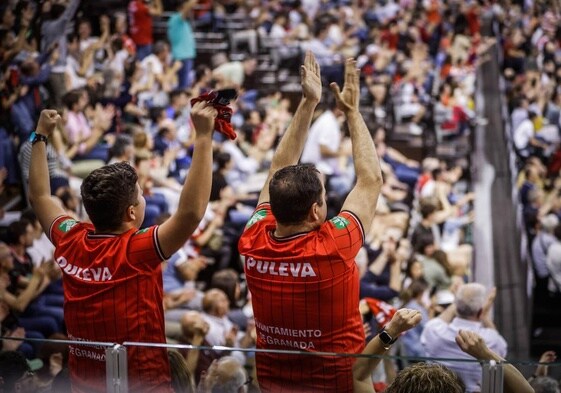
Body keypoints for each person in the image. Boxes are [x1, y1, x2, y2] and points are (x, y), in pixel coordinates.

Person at [27, 103, 218, 392]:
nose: (144, 199)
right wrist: (204, 137)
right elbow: (190, 213)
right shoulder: (137, 250)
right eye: (141, 195)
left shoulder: (71, 238)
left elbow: (40, 196)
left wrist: (39, 136)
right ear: (131, 213)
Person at [238, 52, 383, 392]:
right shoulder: (333, 245)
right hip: (338, 384)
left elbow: (277, 172)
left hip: (273, 385)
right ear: (317, 212)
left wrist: (307, 104)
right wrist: (352, 113)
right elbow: (370, 181)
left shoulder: (252, 238)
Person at [420, 283, 507, 392]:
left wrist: (457, 300)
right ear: (480, 311)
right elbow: (500, 352)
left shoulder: (434, 331)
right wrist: (484, 315)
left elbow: (440, 319)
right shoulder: (491, 339)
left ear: (455, 306)